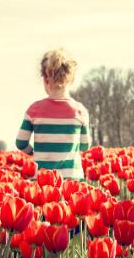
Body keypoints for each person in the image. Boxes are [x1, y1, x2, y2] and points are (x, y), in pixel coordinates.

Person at [15, 48, 91, 180]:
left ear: (45, 79)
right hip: (71, 178)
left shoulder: (34, 110)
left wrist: (33, 152)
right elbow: (85, 145)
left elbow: (21, 142)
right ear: (72, 79)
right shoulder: (80, 111)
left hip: (42, 178)